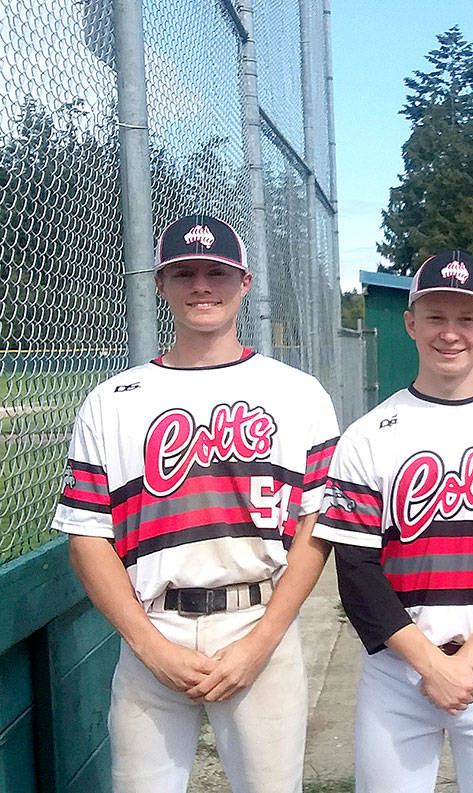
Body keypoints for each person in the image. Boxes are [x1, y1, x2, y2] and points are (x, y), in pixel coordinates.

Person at [53, 213, 339, 793]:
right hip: (154, 628)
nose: (201, 286)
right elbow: (87, 535)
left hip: (260, 624)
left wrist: (261, 643)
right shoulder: (113, 401)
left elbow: (318, 524)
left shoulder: (297, 392)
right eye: (185, 274)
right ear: (161, 285)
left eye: (217, 272)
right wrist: (148, 645)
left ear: (245, 283)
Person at [314, 250, 473, 793]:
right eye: (436, 316)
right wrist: (430, 664)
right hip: (398, 670)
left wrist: (468, 661)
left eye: (467, 318)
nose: (451, 334)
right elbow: (355, 571)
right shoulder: (369, 433)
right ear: (410, 322)